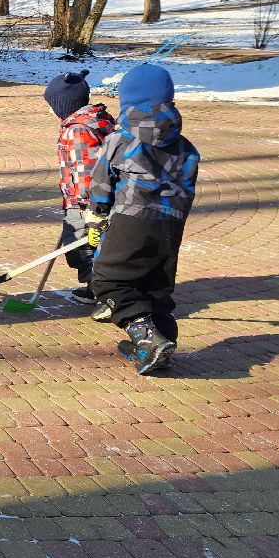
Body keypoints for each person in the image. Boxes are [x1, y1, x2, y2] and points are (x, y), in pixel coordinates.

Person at [87, 63, 201, 375]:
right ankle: (162, 345)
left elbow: (101, 183)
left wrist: (97, 214)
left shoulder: (120, 140)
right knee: (154, 284)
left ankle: (146, 338)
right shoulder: (186, 147)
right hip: (170, 225)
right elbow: (186, 189)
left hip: (132, 218)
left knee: (109, 279)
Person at [43, 70, 114, 303]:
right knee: (86, 245)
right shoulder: (97, 120)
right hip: (91, 199)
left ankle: (101, 291)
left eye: (52, 106)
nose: (51, 111)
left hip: (85, 203)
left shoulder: (79, 130)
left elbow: (87, 171)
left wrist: (87, 205)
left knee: (81, 247)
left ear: (64, 105)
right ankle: (97, 287)